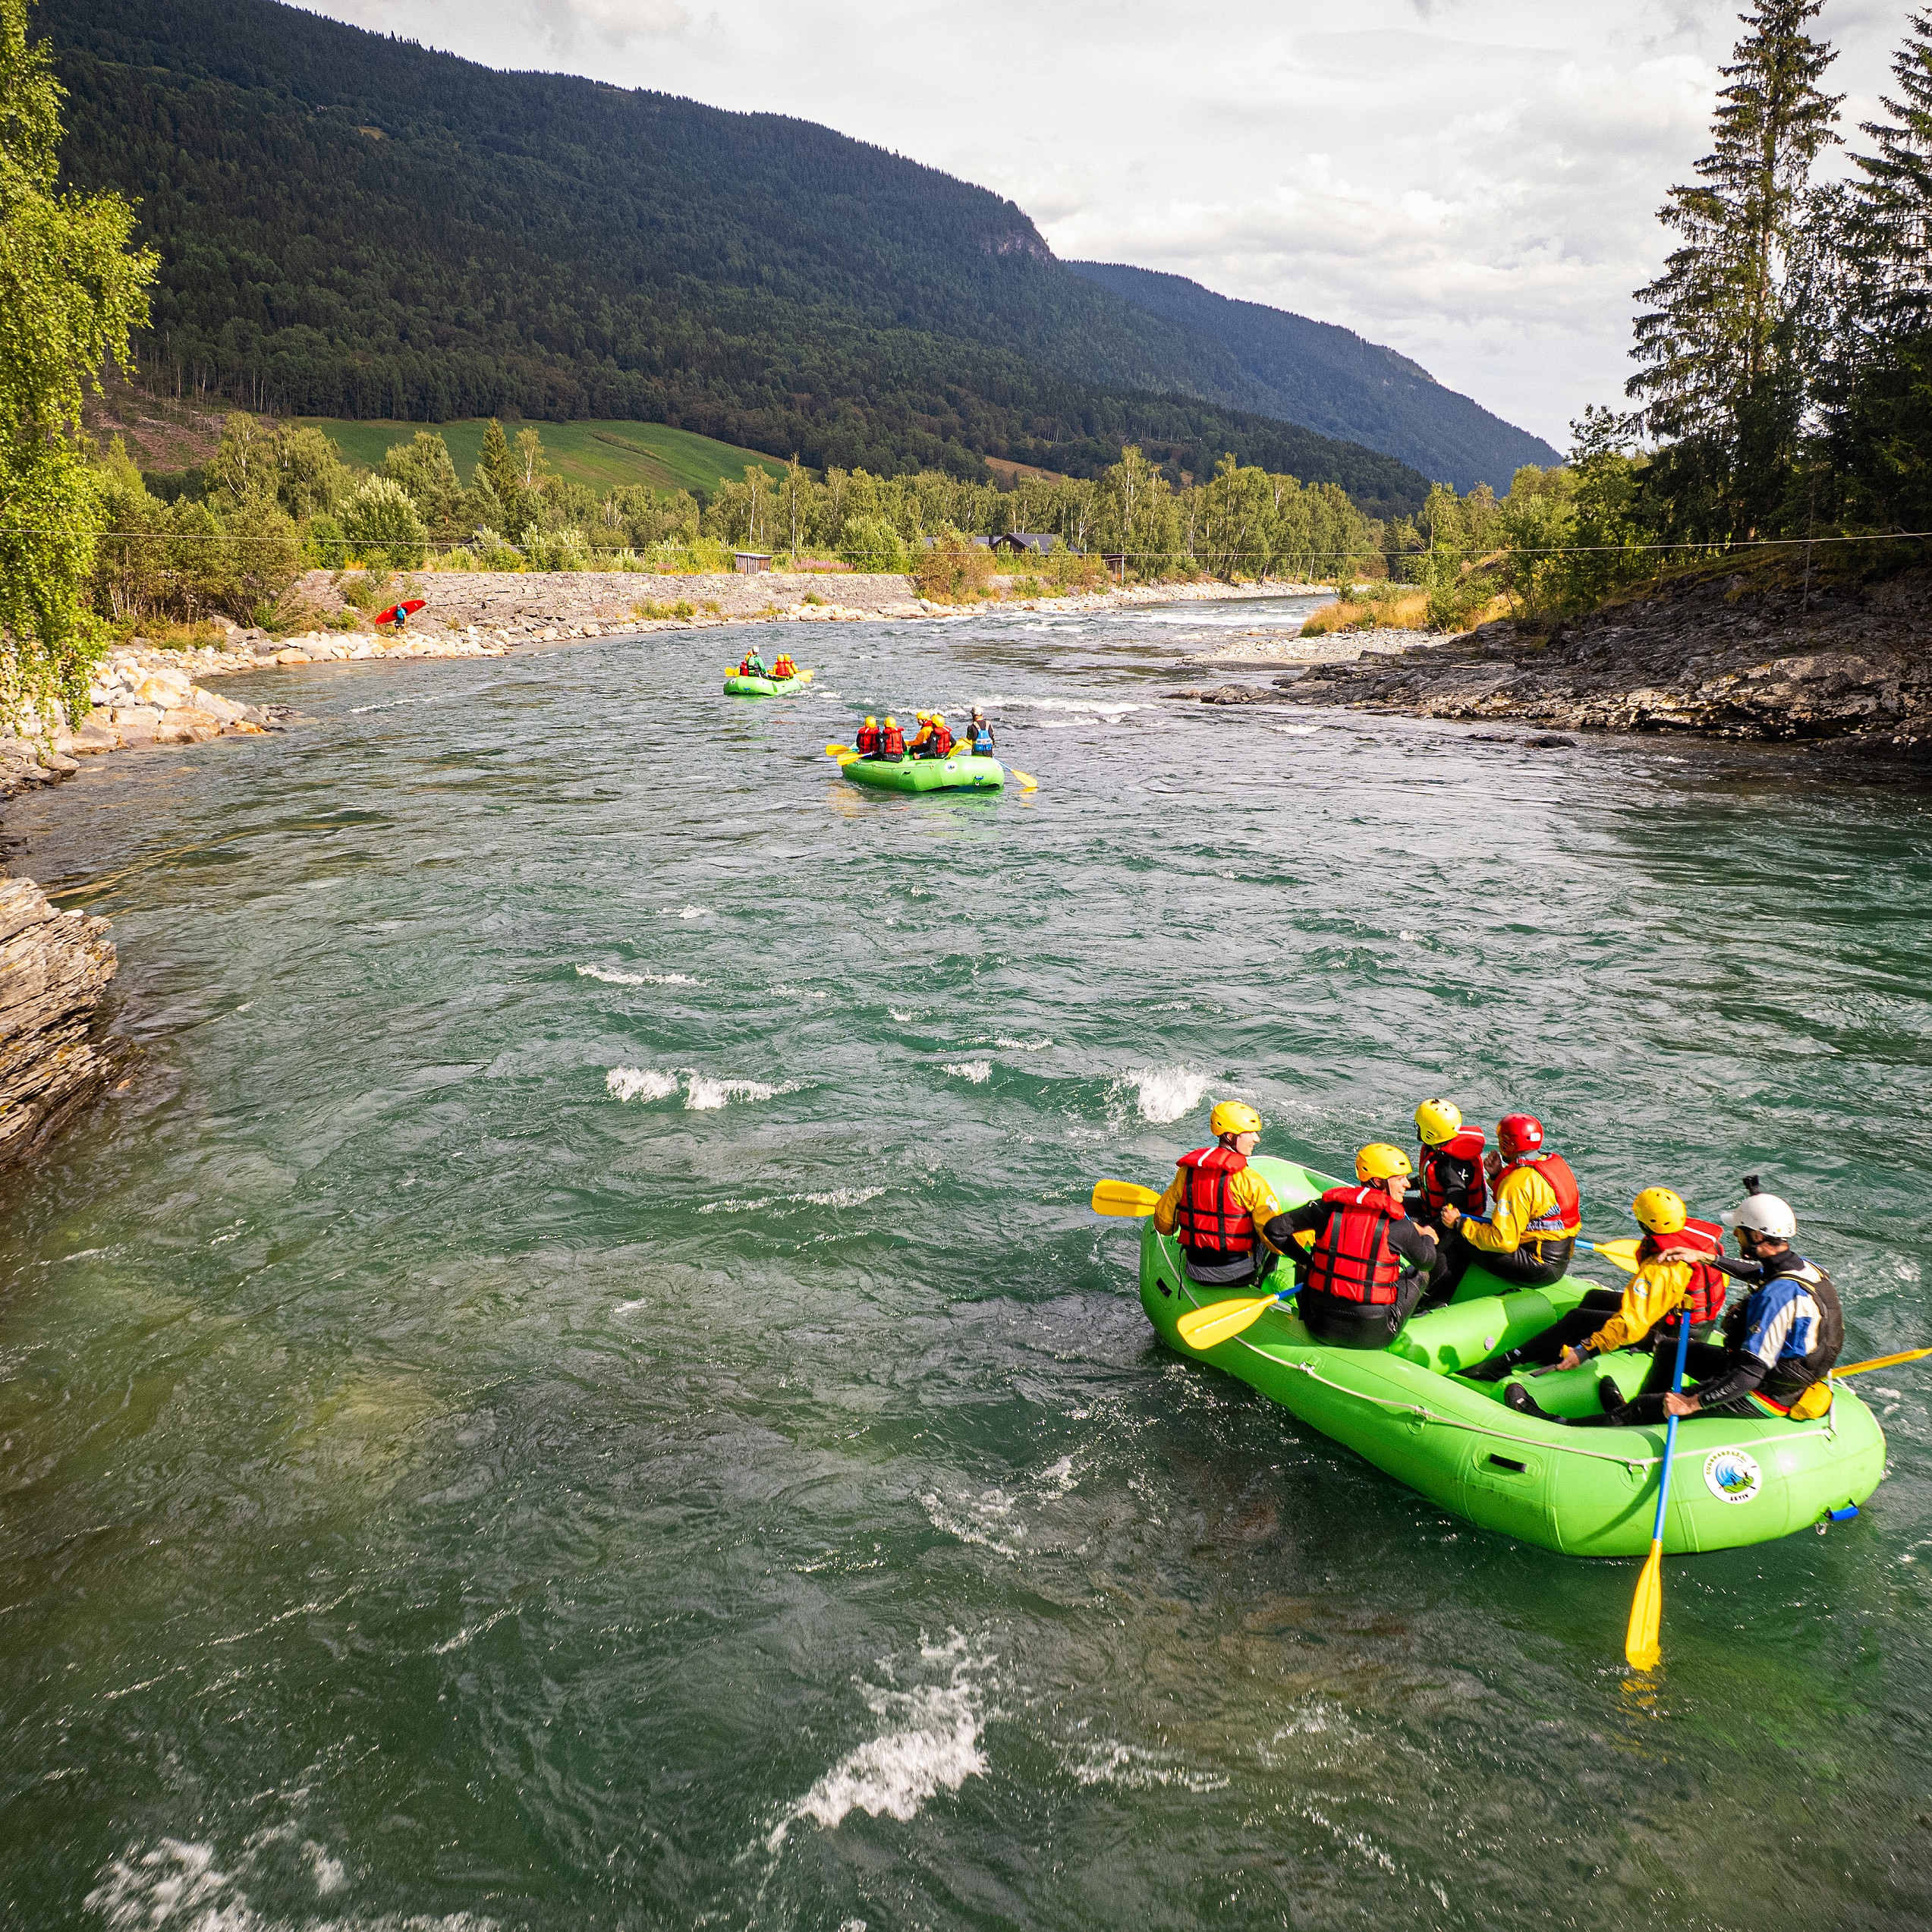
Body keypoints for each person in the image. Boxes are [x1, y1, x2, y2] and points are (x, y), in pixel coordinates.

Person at [1578, 1180, 1843, 1427]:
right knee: (1670, 1350)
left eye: (1740, 1232)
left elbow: (1749, 1374)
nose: (1736, 1237)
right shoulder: (1806, 1269)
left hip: (1764, 1391)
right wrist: (1703, 1257)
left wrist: (1690, 1403)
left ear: (1758, 1237)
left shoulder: (1776, 1298)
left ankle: (1588, 1423)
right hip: (1782, 1374)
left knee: (1650, 1406)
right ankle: (1641, 1414)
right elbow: (1757, 1273)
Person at [1471, 1188, 1727, 1414]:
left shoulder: (1661, 1268)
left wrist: (1587, 1349)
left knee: (1577, 1318)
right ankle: (1556, 1356)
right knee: (1594, 1297)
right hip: (1687, 1321)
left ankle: (1506, 1363)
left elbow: (1631, 1324)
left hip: (1671, 1335)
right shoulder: (1698, 1246)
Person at [1260, 1144, 1441, 1348]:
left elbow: (1274, 1229)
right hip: (1374, 1335)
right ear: (1378, 1181)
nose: (1407, 1184)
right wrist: (1427, 1237)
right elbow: (1427, 1262)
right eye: (1399, 1179)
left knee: (1310, 1262)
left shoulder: (1325, 1208)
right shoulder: (1399, 1226)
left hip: (1318, 1324)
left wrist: (1307, 1261)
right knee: (1420, 1274)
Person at [1432, 1112, 1579, 1301]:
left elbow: (1503, 1241)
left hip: (1538, 1266)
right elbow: (1529, 1201)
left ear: (1508, 1144)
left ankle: (1435, 1298)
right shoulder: (1552, 1162)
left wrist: (1459, 1223)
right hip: (1558, 1258)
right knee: (1471, 1230)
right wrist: (1497, 1175)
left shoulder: (1516, 1182)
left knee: (1457, 1236)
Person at [1152, 1101, 1287, 1289]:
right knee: (1273, 1235)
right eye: (1251, 1133)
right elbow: (1277, 1243)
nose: (1257, 1139)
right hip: (1239, 1274)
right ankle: (1258, 1283)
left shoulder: (1186, 1173)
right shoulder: (1250, 1180)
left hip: (1195, 1269)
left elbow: (1164, 1226)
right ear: (1231, 1136)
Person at [1407, 1098, 1487, 1231]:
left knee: (1396, 1225)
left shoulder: (1448, 1167)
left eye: (1419, 1126)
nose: (1417, 1128)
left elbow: (1454, 1214)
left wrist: (1425, 1231)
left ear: (1429, 1132)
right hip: (1431, 1210)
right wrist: (1400, 1184)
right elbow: (1425, 1182)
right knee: (1391, 1205)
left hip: (1447, 1226)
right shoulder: (1436, 1149)